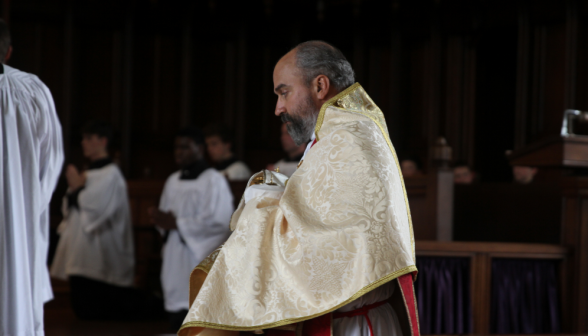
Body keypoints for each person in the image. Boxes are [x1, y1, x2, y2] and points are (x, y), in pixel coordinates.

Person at [179, 41, 419, 336]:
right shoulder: (335, 133)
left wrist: (261, 197)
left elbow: (315, 244)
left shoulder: (347, 138)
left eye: (284, 92)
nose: (279, 108)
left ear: (320, 86)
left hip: (350, 324)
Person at [0, 18, 64, 336]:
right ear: (9, 51)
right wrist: (26, 210)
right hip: (17, 218)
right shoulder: (31, 89)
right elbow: (50, 162)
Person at [148, 127, 234, 331]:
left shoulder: (213, 180)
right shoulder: (172, 180)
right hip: (174, 255)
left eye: (185, 147)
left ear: (200, 148)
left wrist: (177, 224)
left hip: (198, 255)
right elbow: (166, 219)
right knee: (175, 316)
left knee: (197, 317)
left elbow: (220, 223)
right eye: (177, 147)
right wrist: (161, 221)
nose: (179, 152)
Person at [50, 121, 137, 320]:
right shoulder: (87, 173)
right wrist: (75, 189)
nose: (83, 143)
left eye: (89, 138)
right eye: (83, 138)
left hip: (100, 250)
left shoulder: (111, 175)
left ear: (103, 141)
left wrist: (77, 189)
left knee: (98, 314)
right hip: (81, 249)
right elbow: (69, 208)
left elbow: (97, 210)